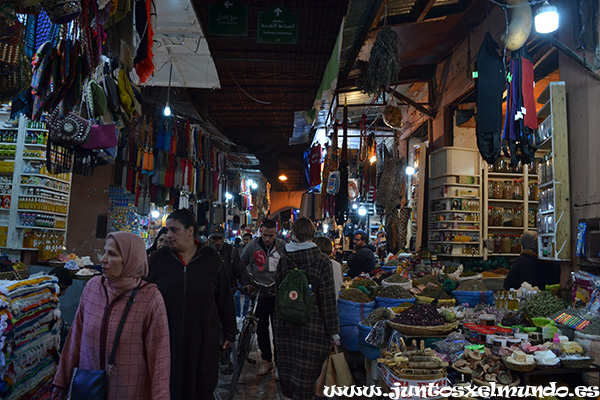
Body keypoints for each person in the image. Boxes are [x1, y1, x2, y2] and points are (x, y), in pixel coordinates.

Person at [52, 232, 171, 400]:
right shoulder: (93, 288)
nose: (103, 259)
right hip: (89, 390)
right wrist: (61, 381)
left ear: (131, 260)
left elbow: (160, 359)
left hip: (129, 391)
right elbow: (75, 337)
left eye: (112, 254)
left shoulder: (150, 298)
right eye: (105, 251)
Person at [147, 209, 236, 399]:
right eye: (167, 230)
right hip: (166, 337)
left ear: (190, 231)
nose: (168, 235)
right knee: (170, 385)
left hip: (203, 337)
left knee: (201, 386)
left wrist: (229, 331)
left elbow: (224, 297)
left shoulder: (211, 259)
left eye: (174, 230)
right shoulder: (158, 259)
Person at [274, 217, 340, 400]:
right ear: (313, 235)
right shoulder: (322, 261)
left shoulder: (284, 259)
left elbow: (277, 293)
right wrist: (334, 333)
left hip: (285, 326)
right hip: (314, 328)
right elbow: (327, 301)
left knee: (289, 370)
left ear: (293, 235)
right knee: (307, 375)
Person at [239, 218, 284, 376]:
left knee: (279, 331)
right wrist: (247, 282)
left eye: (270, 236)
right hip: (259, 295)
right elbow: (240, 265)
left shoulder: (282, 247)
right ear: (260, 232)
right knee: (262, 330)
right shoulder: (252, 246)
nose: (267, 239)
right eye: (264, 235)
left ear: (275, 234)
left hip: (277, 295)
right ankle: (267, 360)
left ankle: (279, 363)